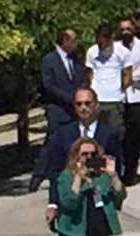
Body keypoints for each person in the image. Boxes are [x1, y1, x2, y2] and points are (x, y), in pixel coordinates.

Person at [36, 87, 125, 227]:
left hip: (99, 201)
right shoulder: (62, 134)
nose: (83, 108)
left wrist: (115, 199)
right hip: (71, 198)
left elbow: (116, 167)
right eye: (79, 104)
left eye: (88, 103)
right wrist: (53, 203)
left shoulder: (109, 134)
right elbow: (55, 171)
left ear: (96, 105)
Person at [31, 29, 82, 192]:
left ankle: (71, 172)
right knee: (52, 141)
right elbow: (49, 86)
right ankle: (38, 175)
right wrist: (69, 99)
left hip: (74, 108)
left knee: (74, 141)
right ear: (65, 41)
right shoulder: (49, 60)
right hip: (58, 108)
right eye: (73, 40)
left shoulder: (75, 59)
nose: (76, 43)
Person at [117, 16, 140, 184]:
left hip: (138, 99)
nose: (125, 32)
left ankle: (131, 174)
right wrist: (129, 73)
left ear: (134, 30)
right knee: (118, 137)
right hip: (118, 99)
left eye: (128, 29)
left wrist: (123, 75)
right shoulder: (115, 48)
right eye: (122, 29)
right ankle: (117, 171)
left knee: (133, 139)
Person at [85, 25, 131, 126]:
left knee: (115, 130)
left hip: (115, 99)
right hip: (97, 99)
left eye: (103, 42)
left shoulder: (123, 52)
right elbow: (89, 73)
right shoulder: (91, 52)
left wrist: (121, 88)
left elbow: (127, 74)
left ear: (110, 39)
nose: (101, 45)